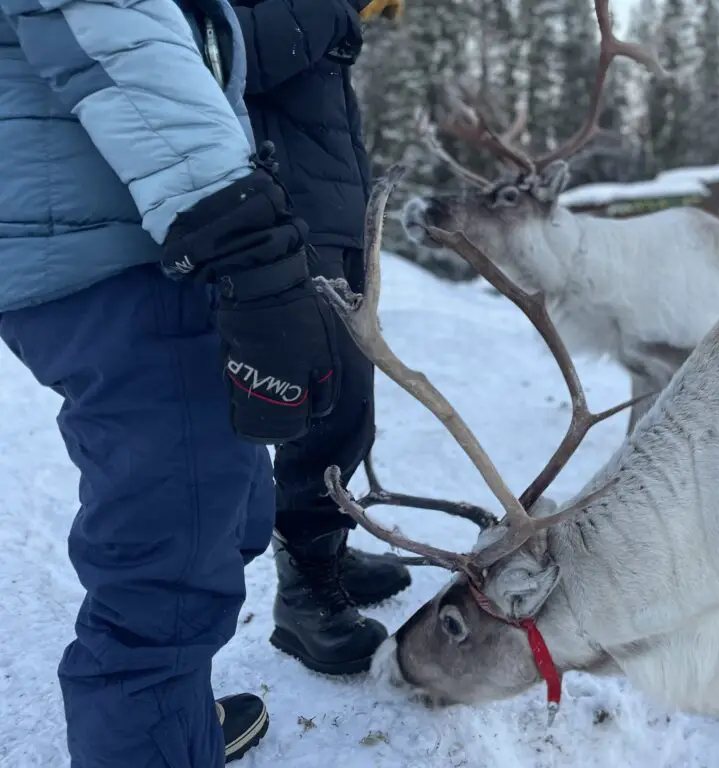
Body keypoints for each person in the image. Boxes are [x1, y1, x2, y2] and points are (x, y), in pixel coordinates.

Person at [0, 0, 341, 763]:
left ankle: (167, 716)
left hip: (128, 235)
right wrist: (250, 246)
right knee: (173, 547)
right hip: (125, 254)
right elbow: (113, 35)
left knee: (224, 498)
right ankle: (148, 738)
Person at [229, 0, 412, 676]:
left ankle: (324, 547)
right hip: (285, 211)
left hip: (331, 209)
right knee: (324, 407)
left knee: (351, 400)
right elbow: (230, 51)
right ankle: (304, 594)